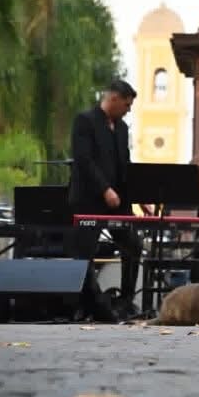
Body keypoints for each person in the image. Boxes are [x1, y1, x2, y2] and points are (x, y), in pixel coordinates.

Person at [68, 79, 140, 321]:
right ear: (113, 98)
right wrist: (105, 189)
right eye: (126, 105)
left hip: (117, 203)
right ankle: (88, 304)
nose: (128, 110)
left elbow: (124, 165)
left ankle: (126, 301)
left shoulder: (122, 128)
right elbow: (84, 160)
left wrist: (138, 195)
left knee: (133, 245)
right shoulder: (85, 121)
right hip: (89, 200)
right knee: (84, 253)